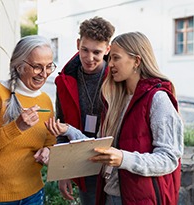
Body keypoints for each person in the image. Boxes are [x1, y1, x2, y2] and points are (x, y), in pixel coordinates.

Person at [45, 31, 184, 205]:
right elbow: (100, 147)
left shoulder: (158, 99)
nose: (109, 64)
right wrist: (69, 130)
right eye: (110, 58)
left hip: (141, 198)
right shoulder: (114, 99)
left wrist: (123, 159)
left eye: (115, 58)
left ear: (137, 61)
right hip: (110, 195)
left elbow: (169, 159)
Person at [0, 35, 56, 205]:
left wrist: (48, 152)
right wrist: (16, 127)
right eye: (37, 67)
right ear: (19, 65)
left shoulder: (45, 100)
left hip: (33, 194)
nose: (44, 74)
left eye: (49, 67)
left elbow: (50, 142)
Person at [54, 16, 115, 205]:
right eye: (85, 50)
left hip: (115, 161)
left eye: (97, 52)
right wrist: (64, 172)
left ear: (107, 49)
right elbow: (61, 125)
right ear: (78, 43)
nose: (89, 58)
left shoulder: (117, 77)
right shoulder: (65, 80)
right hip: (84, 162)